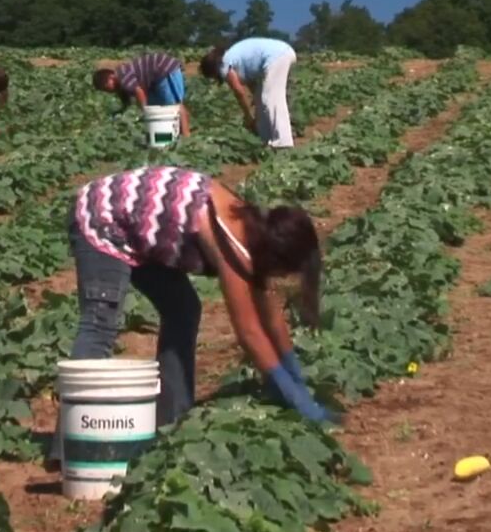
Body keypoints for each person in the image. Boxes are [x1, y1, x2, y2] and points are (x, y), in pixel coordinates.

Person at [46, 165, 332, 467]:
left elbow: (271, 318)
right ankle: (69, 445)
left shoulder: (252, 231)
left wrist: (295, 377)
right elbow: (249, 332)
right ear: (276, 256)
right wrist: (290, 393)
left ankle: (171, 419)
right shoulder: (230, 240)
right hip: (101, 217)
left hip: (140, 232)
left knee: (182, 309)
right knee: (99, 323)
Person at [200, 37, 298, 148]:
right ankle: (265, 139)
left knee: (271, 99)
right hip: (281, 53)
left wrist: (248, 116)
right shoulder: (234, 60)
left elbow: (239, 92)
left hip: (277, 56)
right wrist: (256, 101)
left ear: (212, 70)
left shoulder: (223, 64)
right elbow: (252, 85)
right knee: (262, 102)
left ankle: (283, 143)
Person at [92, 52, 191, 137]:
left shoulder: (123, 77)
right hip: (154, 80)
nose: (108, 91)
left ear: (111, 77)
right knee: (158, 107)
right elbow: (127, 98)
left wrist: (145, 109)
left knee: (174, 105)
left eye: (106, 87)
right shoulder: (122, 81)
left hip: (164, 70)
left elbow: (139, 91)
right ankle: (172, 132)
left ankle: (186, 136)